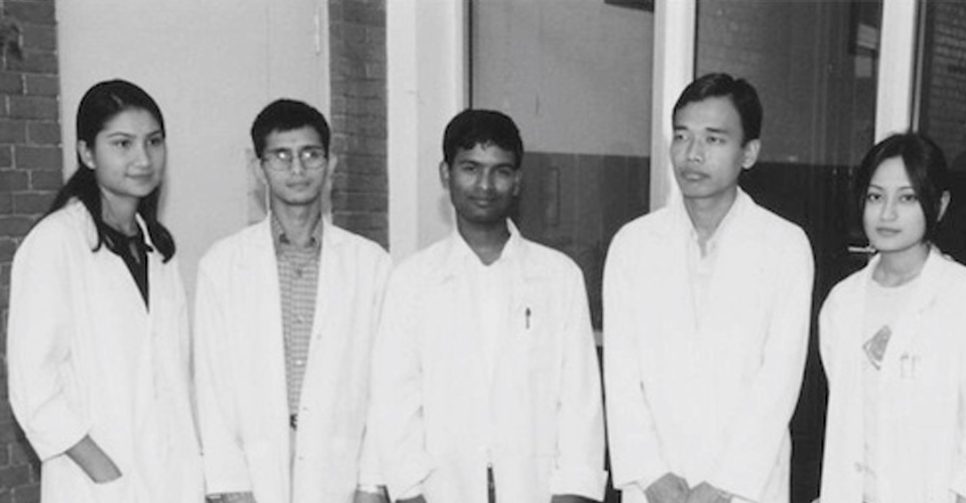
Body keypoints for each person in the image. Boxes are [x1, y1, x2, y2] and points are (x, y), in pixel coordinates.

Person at [370, 109, 606, 503]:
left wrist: (572, 493)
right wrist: (410, 491)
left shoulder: (558, 277)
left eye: (501, 171)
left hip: (537, 489)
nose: (485, 185)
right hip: (441, 490)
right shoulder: (412, 280)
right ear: (445, 174)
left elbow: (580, 404)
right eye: (470, 168)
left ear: (518, 181)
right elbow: (395, 401)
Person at [603, 73, 814, 503]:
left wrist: (723, 484)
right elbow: (621, 373)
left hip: (745, 488)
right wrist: (652, 474)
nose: (692, 154)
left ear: (748, 153)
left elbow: (779, 379)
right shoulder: (633, 244)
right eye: (682, 136)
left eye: (714, 139)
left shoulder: (784, 246)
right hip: (655, 489)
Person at [6, 79, 203, 502]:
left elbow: (176, 378)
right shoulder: (55, 242)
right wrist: (103, 471)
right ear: (87, 153)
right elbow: (33, 385)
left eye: (153, 141)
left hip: (171, 477)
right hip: (100, 485)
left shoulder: (158, 249)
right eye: (122, 144)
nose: (143, 159)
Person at [192, 99, 391, 503]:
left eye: (311, 154)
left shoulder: (371, 264)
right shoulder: (222, 264)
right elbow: (210, 384)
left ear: (331, 164)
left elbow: (385, 385)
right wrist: (230, 484)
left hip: (342, 469)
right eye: (281, 156)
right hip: (253, 472)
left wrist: (372, 483)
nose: (297, 169)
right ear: (259, 168)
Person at [817, 133, 966, 503]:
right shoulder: (841, 303)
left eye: (907, 198)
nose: (887, 214)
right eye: (875, 197)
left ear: (939, 205)